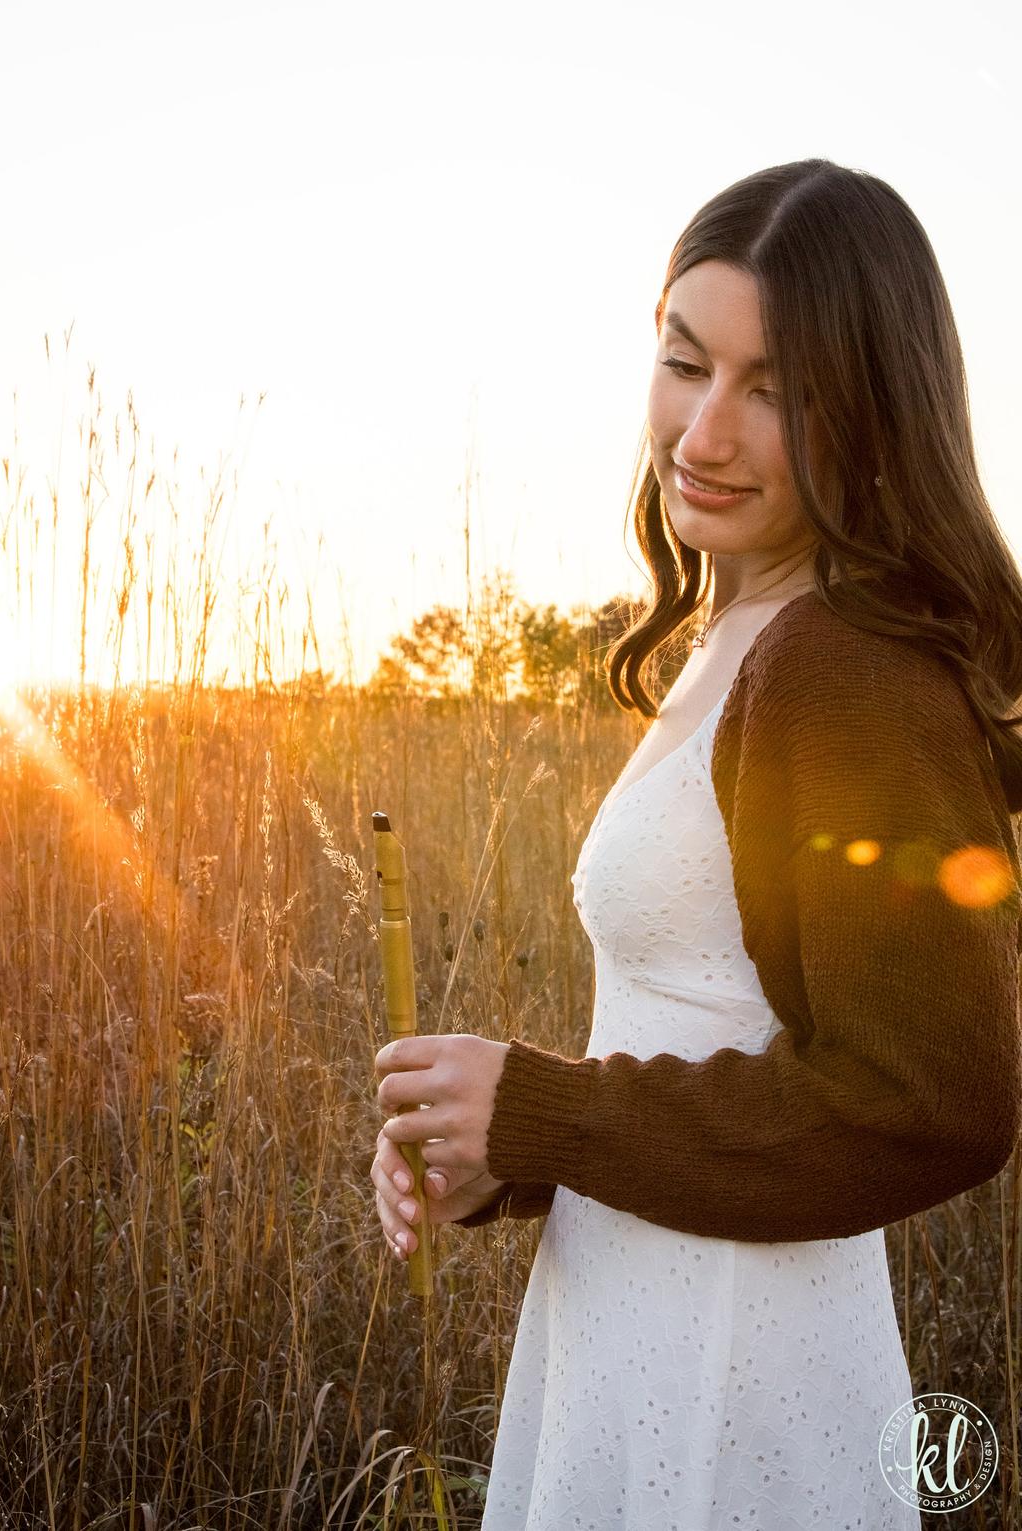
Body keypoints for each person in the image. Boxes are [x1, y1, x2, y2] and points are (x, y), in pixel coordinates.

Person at [371, 159, 1022, 1528]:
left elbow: (933, 1100)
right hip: (640, 1319)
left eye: (775, 391)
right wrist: (516, 1143)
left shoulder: (846, 666)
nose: (704, 431)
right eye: (685, 361)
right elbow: (716, 1035)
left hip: (742, 1357)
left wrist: (549, 1109)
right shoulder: (739, 639)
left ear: (876, 413)